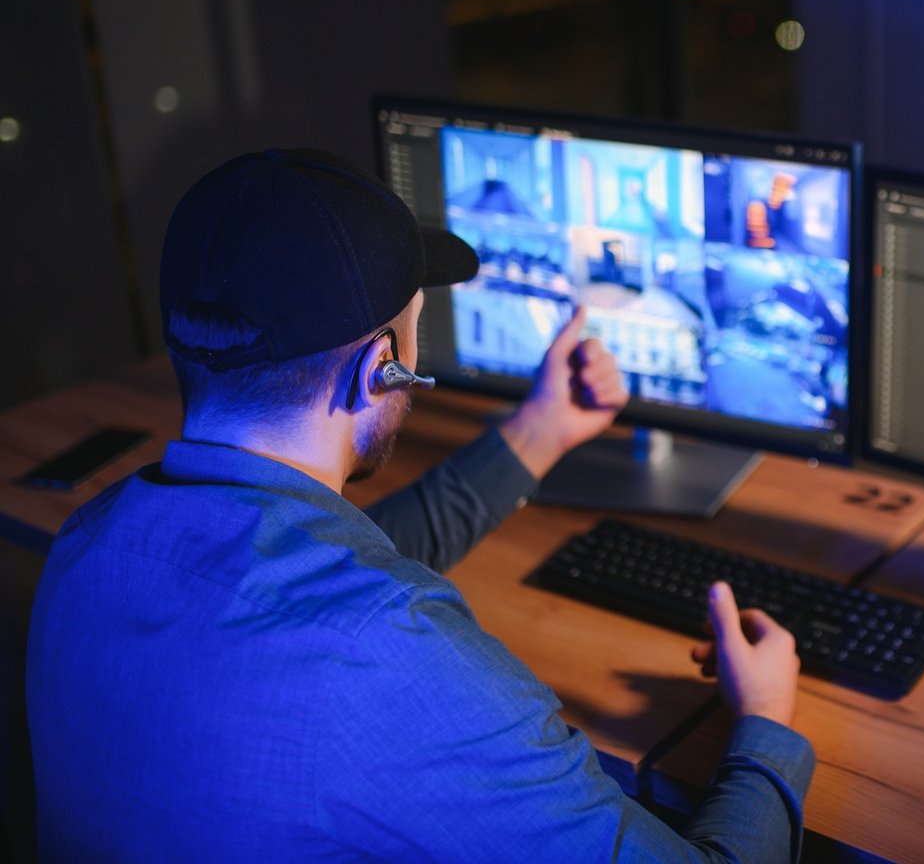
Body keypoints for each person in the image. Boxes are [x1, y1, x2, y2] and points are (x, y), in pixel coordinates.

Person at [26, 149, 813, 861]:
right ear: (382, 369)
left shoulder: (87, 543)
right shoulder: (388, 651)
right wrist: (767, 724)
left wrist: (537, 434)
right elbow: (358, 619)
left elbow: (313, 564)